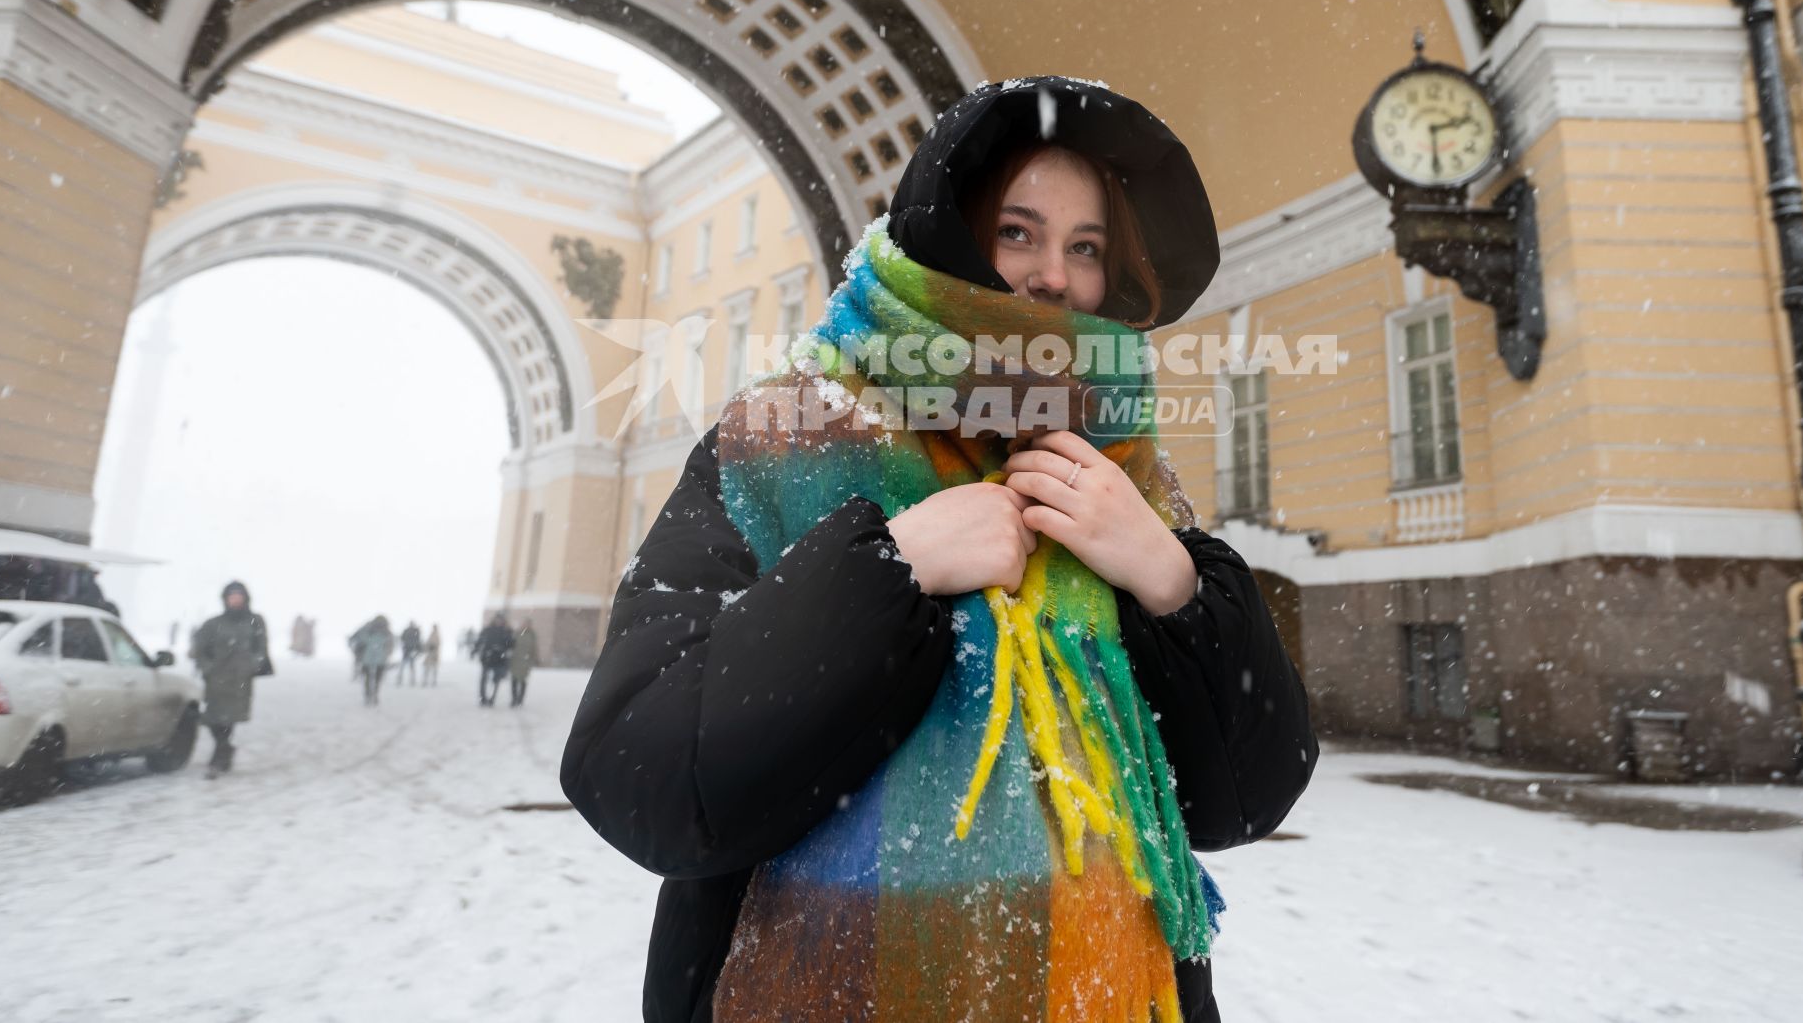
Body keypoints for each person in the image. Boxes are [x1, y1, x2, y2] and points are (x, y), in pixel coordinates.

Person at [562, 78, 1316, 1023]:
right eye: (1018, 231)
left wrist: (1170, 579)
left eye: (1086, 247)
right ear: (946, 233)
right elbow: (638, 768)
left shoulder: (1124, 468)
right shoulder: (780, 440)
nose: (1053, 276)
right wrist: (889, 571)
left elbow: (1244, 798)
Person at [191, 580, 271, 779]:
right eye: (231, 597)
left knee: (229, 718)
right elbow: (198, 650)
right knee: (212, 719)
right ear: (225, 599)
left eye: (238, 596)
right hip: (216, 678)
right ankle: (225, 748)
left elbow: (261, 646)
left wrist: (253, 664)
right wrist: (207, 668)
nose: (235, 600)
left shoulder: (255, 621)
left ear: (245, 598)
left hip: (240, 679)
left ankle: (218, 758)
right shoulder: (213, 624)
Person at [473, 613, 513, 707]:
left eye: (500, 620)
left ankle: (492, 698)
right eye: (497, 619)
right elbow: (480, 640)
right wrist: (474, 650)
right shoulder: (488, 630)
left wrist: (508, 638)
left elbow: (511, 644)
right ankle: (483, 698)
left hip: (499, 659)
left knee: (497, 679)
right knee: (484, 678)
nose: (498, 621)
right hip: (487, 657)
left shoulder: (506, 631)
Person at [355, 615, 394, 706]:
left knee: (368, 679)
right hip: (380, 659)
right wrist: (387, 654)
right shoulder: (386, 632)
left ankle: (368, 695)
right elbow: (390, 645)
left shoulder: (368, 630)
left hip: (367, 659)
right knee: (377, 679)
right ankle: (374, 695)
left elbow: (361, 641)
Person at [507, 619, 538, 707]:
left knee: (523, 681)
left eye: (528, 623)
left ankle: (520, 699)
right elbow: (511, 644)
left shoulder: (532, 635)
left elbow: (534, 648)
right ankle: (514, 699)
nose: (526, 625)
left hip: (526, 662)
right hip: (515, 660)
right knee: (514, 681)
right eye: (525, 623)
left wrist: (533, 659)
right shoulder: (517, 633)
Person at [396, 620, 423, 686]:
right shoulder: (411, 631)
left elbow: (418, 641)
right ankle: (402, 680)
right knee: (405, 666)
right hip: (408, 650)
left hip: (410, 651)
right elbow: (402, 638)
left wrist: (417, 649)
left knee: (410, 666)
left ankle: (411, 680)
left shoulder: (414, 631)